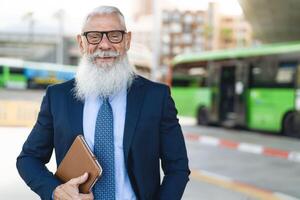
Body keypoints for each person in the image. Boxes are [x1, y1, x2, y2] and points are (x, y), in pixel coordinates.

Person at [16, 5, 190, 200]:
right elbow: (28, 159)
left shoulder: (157, 97)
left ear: (127, 40)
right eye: (94, 36)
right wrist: (55, 191)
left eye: (114, 35)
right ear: (81, 43)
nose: (105, 45)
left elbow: (178, 167)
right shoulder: (58, 97)